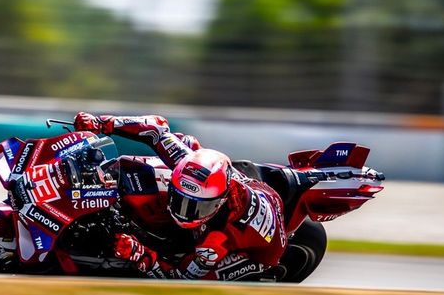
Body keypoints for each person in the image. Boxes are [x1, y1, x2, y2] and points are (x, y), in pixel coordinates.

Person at [73, 112, 288, 281]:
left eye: (195, 207)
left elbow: (181, 278)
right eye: (180, 199)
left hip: (261, 251)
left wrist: (141, 254)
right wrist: (102, 123)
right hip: (249, 186)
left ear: (218, 204)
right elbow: (155, 128)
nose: (183, 213)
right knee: (186, 142)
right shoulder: (185, 160)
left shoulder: (215, 241)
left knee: (207, 278)